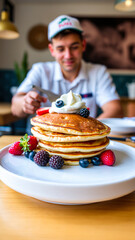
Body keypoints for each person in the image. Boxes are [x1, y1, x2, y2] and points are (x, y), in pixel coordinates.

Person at [11, 15, 123, 129]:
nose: (68, 55)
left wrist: (88, 129)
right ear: (52, 50)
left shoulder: (99, 72)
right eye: (61, 49)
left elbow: (115, 110)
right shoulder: (40, 70)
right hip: (43, 141)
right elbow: (15, 108)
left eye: (74, 47)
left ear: (83, 45)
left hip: (83, 142)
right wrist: (25, 103)